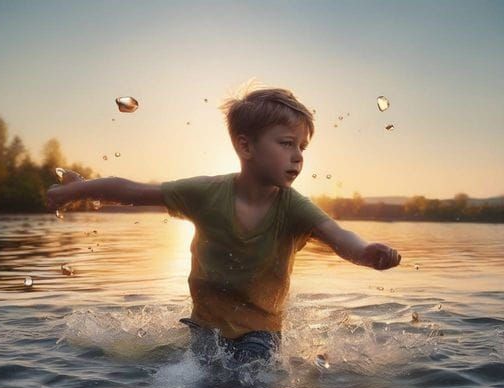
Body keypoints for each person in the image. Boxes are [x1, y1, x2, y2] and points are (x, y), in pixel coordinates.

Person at [45, 86, 402, 364]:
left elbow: (340, 237)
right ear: (245, 146)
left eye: (303, 147)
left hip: (260, 336)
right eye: (286, 143)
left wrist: (367, 253)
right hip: (203, 330)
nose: (298, 156)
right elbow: (132, 191)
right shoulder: (206, 193)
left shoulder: (294, 208)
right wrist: (74, 191)